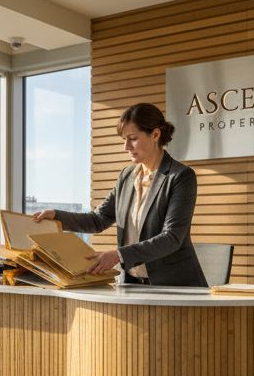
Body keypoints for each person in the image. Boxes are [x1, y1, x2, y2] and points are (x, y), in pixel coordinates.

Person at [34, 102, 206, 287]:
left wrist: (119, 255)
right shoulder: (127, 176)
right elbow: (98, 219)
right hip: (133, 284)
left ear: (155, 135)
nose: (126, 146)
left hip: (176, 286)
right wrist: (57, 216)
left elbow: (172, 237)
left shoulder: (180, 177)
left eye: (132, 138)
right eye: (124, 139)